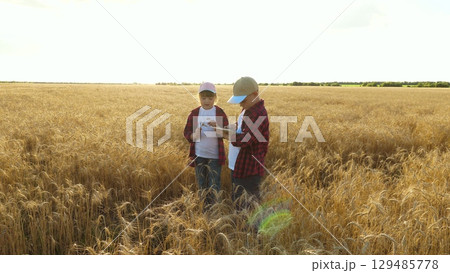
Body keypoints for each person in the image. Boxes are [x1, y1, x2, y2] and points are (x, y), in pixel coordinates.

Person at [219, 76, 269, 208]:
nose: (240, 104)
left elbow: (246, 140)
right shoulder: (248, 109)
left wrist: (225, 134)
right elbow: (241, 126)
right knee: (238, 202)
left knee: (247, 207)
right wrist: (224, 127)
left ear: (255, 94)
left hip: (248, 170)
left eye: (243, 100)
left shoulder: (258, 113)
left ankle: (250, 229)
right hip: (239, 166)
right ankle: (241, 227)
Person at [183, 82, 229, 204]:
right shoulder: (195, 113)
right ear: (199, 98)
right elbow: (187, 133)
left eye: (210, 98)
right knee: (201, 185)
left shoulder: (219, 112)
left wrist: (218, 128)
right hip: (199, 156)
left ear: (215, 97)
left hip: (215, 156)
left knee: (214, 185)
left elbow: (227, 133)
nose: (207, 101)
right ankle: (203, 208)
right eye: (203, 98)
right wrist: (194, 135)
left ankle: (214, 209)